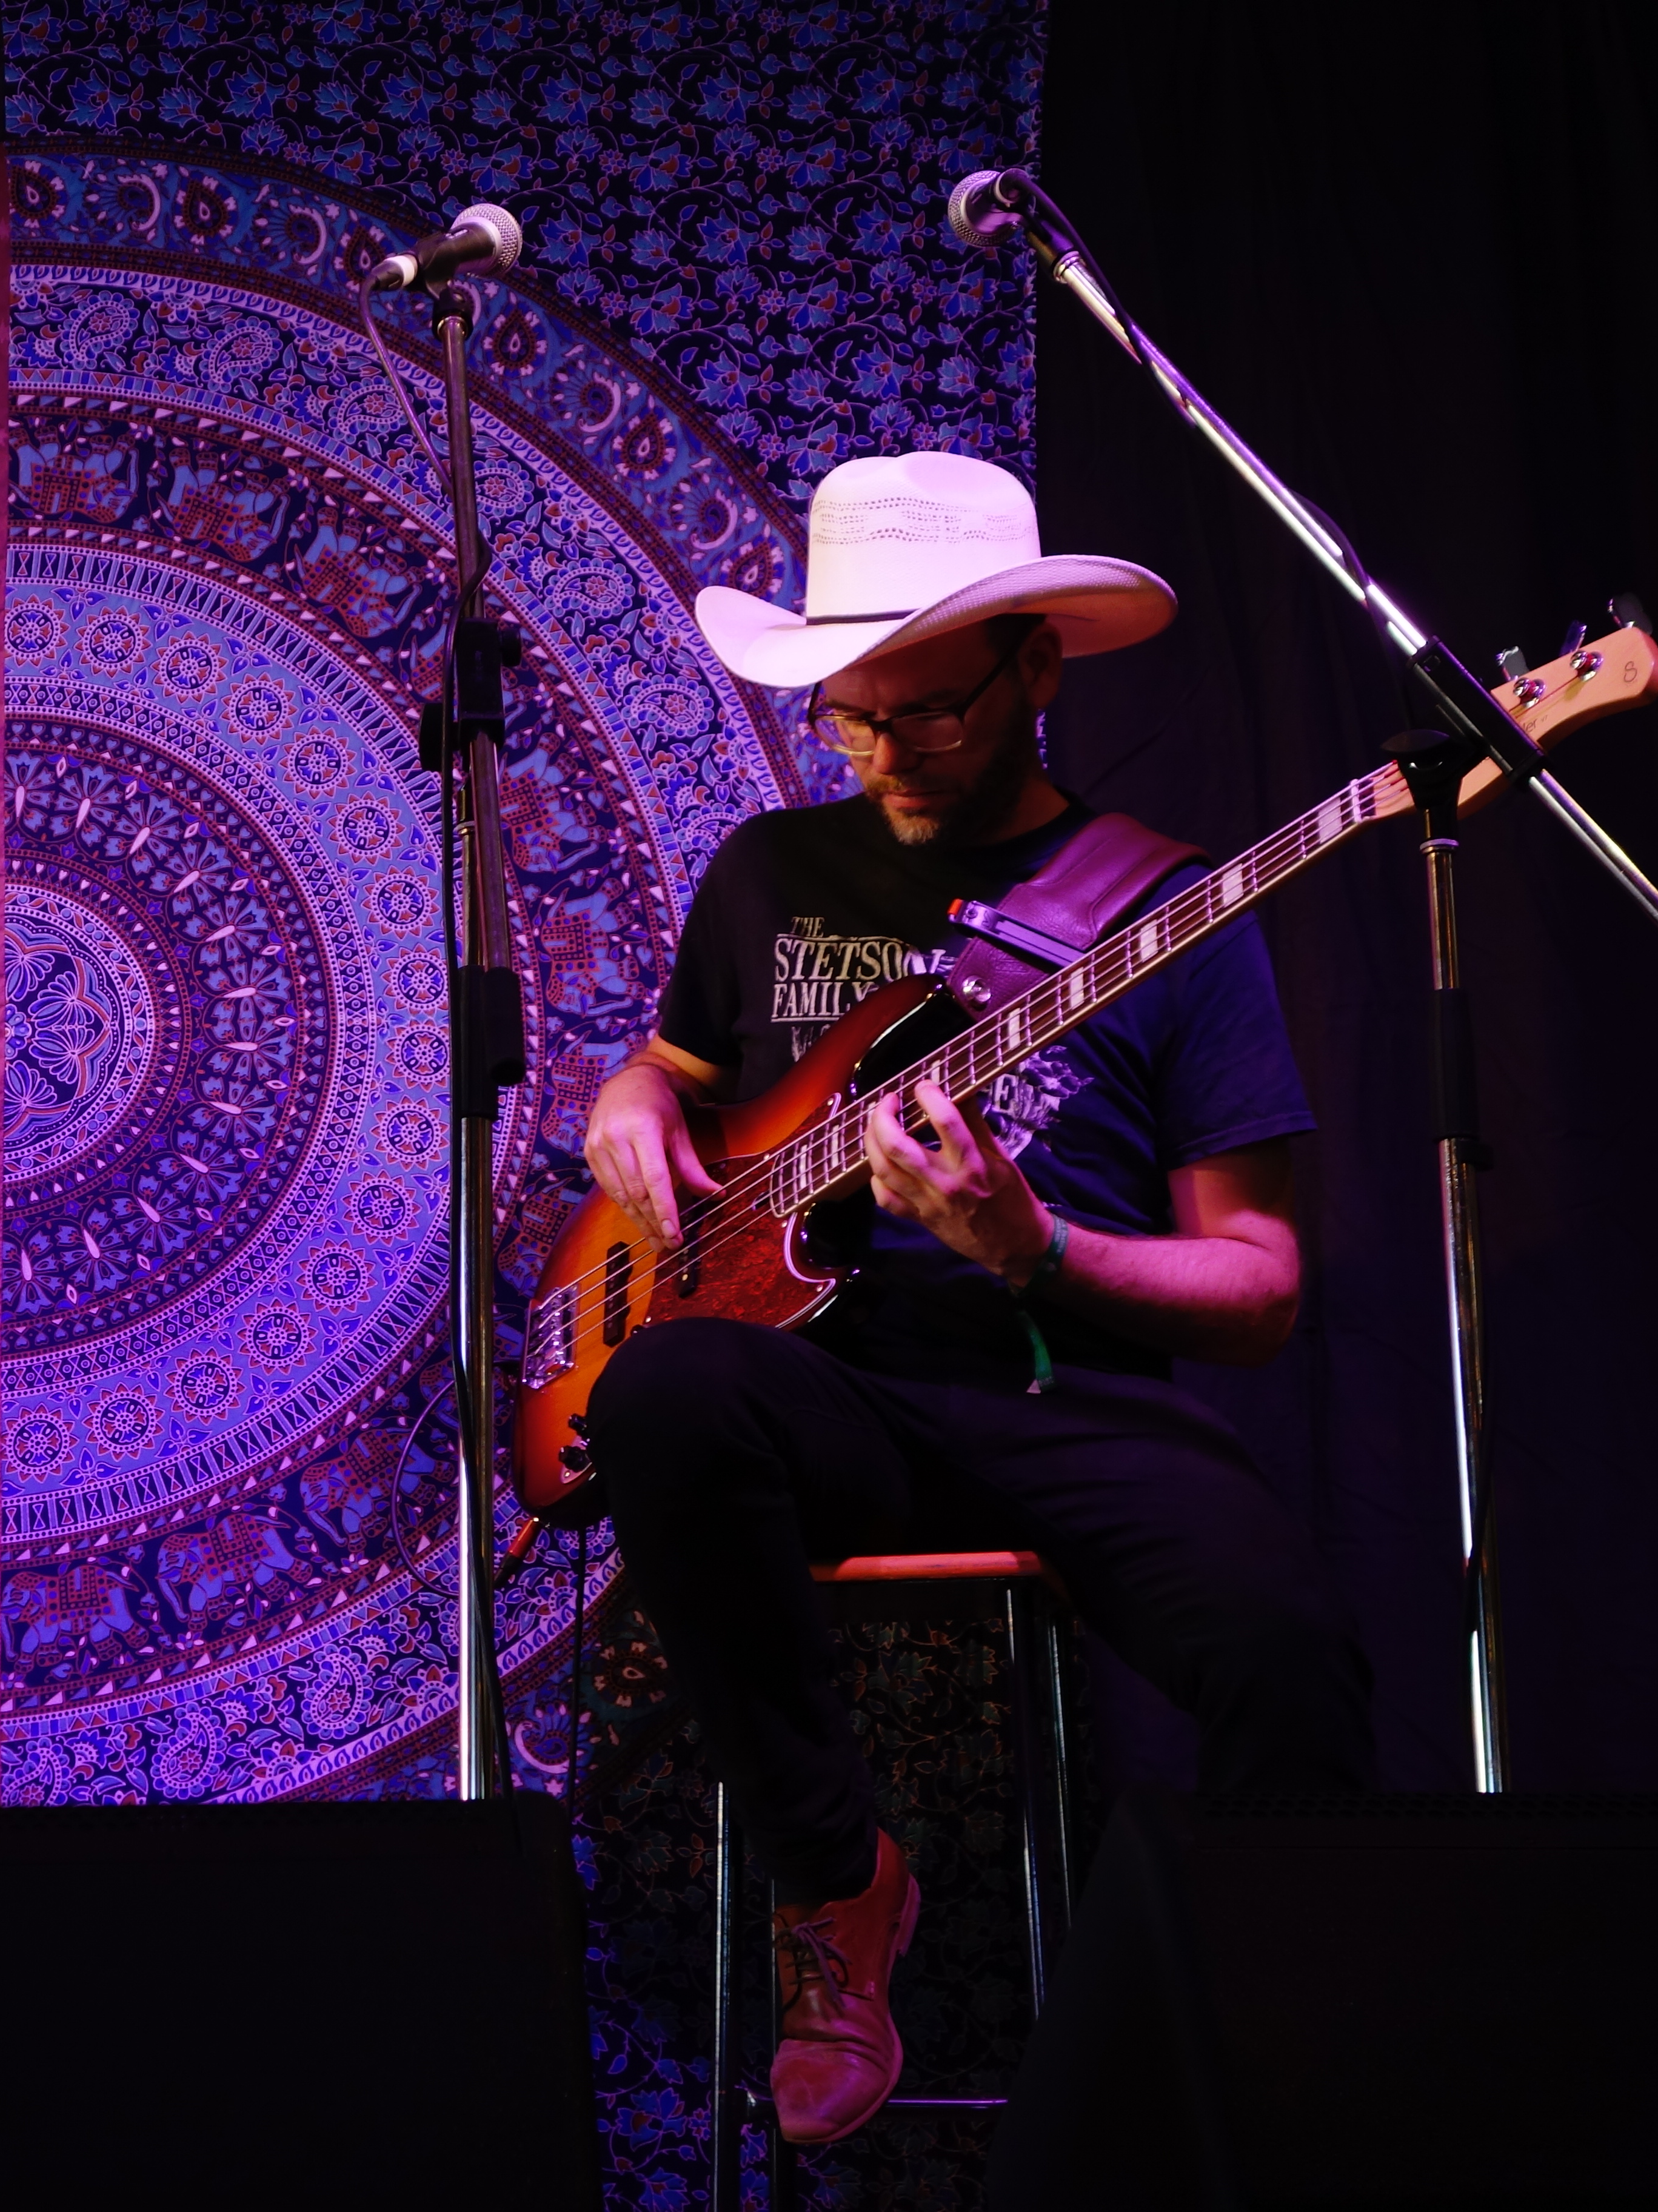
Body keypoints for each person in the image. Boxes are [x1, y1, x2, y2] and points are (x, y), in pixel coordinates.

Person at [583, 452, 1374, 2145]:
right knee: (659, 1395)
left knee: (1289, 1656)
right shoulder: (766, 873)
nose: (888, 758)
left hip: (1064, 1390)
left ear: (1039, 667)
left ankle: (1254, 2058)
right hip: (829, 1398)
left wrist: (1038, 1248)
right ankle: (837, 1887)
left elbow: (1259, 1287)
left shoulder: (1169, 912)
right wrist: (630, 1100)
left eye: (931, 715)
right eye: (853, 721)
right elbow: (675, 1072)